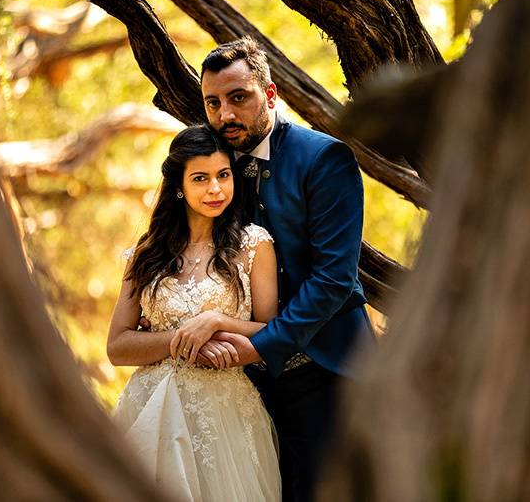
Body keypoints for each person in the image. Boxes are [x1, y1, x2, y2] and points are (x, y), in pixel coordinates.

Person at [197, 37, 375, 502]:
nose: (225, 115)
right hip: (246, 385)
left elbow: (334, 279)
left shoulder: (325, 159)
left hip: (326, 373)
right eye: (213, 103)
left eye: (239, 98)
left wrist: (258, 347)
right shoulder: (211, 170)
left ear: (270, 95)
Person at [108, 125, 281, 502]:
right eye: (200, 179)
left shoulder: (253, 245)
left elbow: (271, 329)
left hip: (225, 414)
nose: (215, 189)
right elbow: (117, 347)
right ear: (179, 186)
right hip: (151, 409)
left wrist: (217, 322)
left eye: (223, 175)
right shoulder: (146, 256)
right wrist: (182, 342)